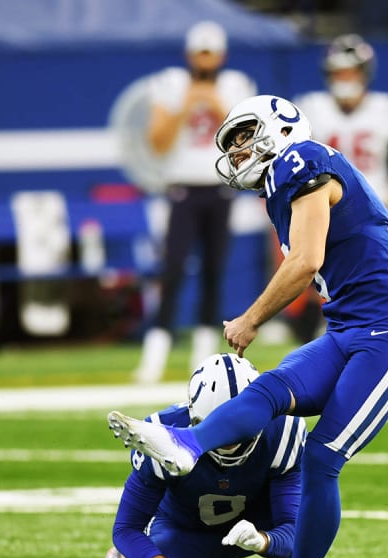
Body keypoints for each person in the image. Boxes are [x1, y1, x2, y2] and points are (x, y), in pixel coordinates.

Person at [107, 94, 388, 558]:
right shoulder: (288, 183)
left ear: (282, 127)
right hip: (349, 329)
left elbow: (305, 261)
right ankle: (190, 444)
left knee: (321, 457)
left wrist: (252, 318)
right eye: (231, 142)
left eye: (246, 133)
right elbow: (381, 234)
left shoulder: (298, 160)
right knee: (274, 387)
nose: (238, 148)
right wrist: (379, 236)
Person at [94, 352, 304, 558]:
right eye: (219, 430)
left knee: (320, 500)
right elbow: (126, 528)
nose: (231, 442)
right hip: (183, 530)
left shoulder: (283, 430)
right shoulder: (162, 432)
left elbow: (299, 531)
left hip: (253, 523)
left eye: (242, 430)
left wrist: (264, 541)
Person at [133, 21, 256, 384]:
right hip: (182, 188)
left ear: (221, 55)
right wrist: (186, 105)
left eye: (210, 53)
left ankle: (202, 360)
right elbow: (157, 141)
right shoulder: (171, 84)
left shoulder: (236, 86)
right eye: (200, 53)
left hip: (220, 188)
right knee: (172, 271)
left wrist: (216, 105)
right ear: (190, 54)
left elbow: (244, 142)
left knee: (213, 274)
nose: (204, 61)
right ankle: (154, 357)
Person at [287, 34, 388, 344]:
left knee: (383, 267)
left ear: (364, 73)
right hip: (326, 204)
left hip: (375, 205)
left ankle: (386, 322)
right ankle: (311, 322)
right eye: (339, 73)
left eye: (351, 72)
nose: (345, 79)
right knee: (312, 264)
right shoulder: (311, 108)